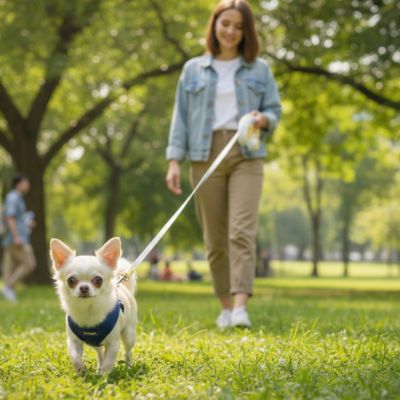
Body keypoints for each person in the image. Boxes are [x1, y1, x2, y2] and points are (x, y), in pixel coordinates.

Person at [166, 0, 281, 328]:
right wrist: (174, 160)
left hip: (247, 153)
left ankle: (242, 306)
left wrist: (263, 118)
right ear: (215, 25)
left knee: (241, 230)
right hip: (204, 154)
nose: (231, 31)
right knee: (215, 239)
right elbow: (181, 119)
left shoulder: (259, 69)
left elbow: (275, 110)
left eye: (239, 26)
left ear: (247, 31)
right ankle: (226, 307)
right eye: (225, 23)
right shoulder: (193, 70)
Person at [1, 175, 36, 302]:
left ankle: (8, 291)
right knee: (29, 263)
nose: (28, 185)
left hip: (13, 238)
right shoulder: (13, 197)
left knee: (9, 267)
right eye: (26, 183)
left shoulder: (18, 198)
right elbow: (10, 218)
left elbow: (16, 218)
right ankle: (8, 287)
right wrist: (16, 237)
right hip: (16, 239)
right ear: (19, 184)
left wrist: (27, 223)